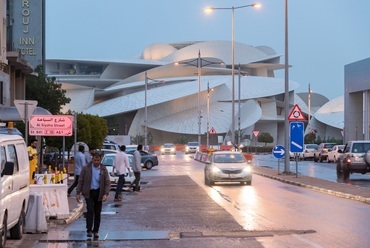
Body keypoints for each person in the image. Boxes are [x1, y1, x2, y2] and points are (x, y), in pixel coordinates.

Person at [76, 152, 111, 239]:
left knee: (97, 213)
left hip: (99, 192)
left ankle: (96, 231)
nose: (96, 162)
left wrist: (106, 194)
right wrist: (78, 192)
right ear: (92, 159)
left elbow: (107, 182)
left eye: (98, 160)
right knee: (90, 211)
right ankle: (89, 230)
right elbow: (81, 180)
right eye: (95, 160)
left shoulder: (103, 169)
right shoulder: (86, 168)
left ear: (100, 160)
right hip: (89, 192)